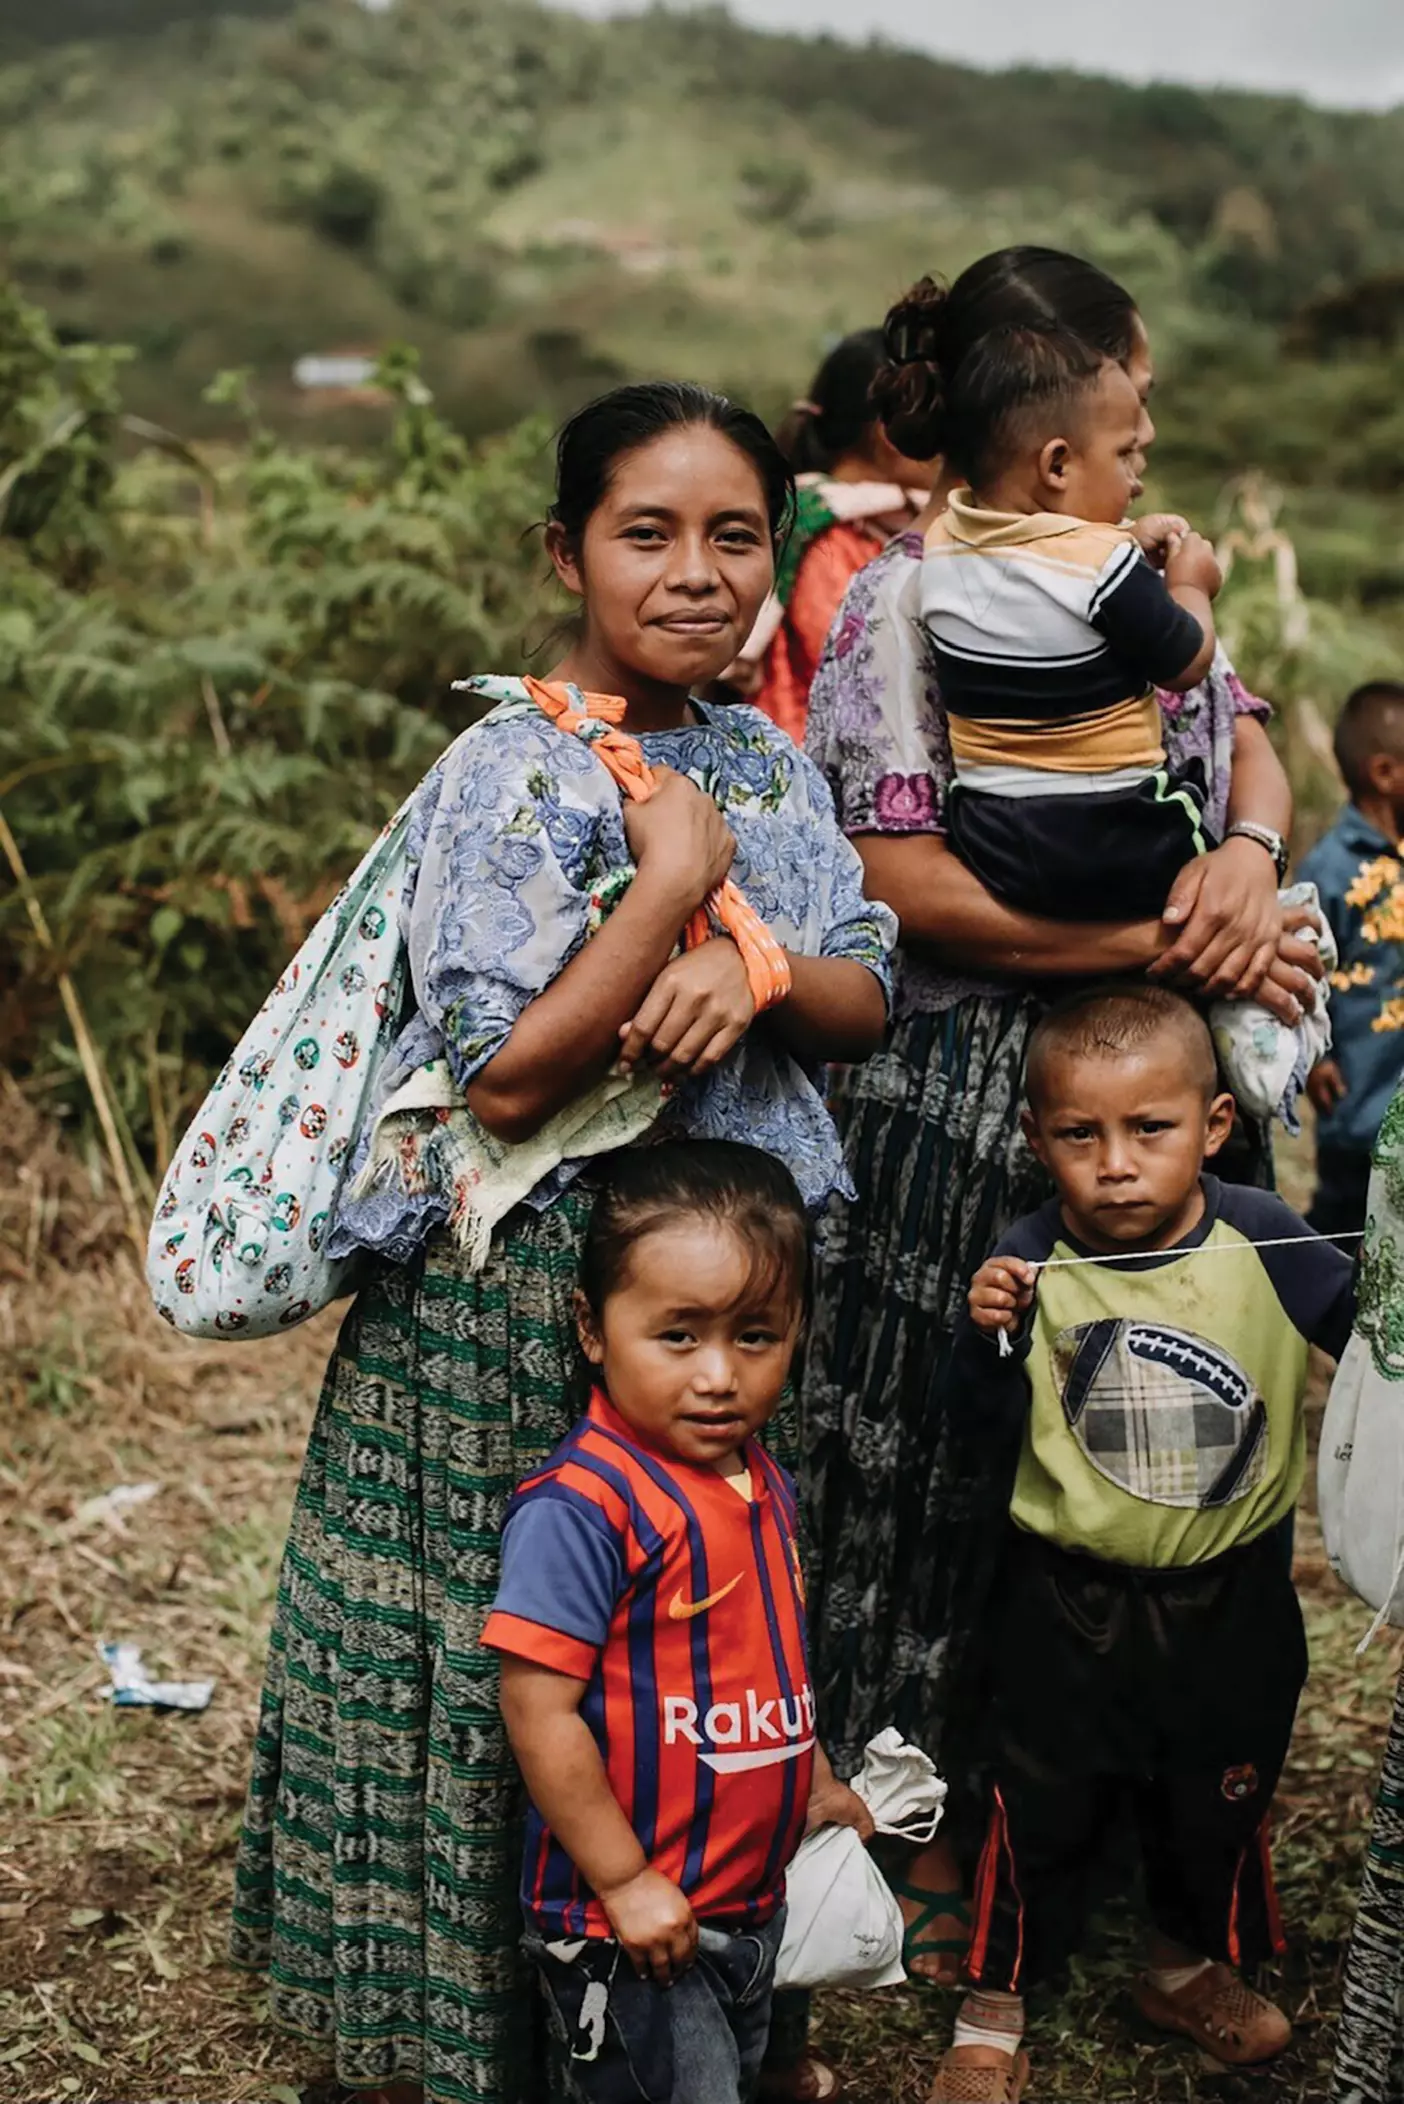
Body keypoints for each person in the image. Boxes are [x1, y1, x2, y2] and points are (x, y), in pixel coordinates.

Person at [228, 381, 896, 2104]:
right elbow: (511, 1073)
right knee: (511, 1665)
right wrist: (669, 886)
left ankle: (695, 2009)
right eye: (644, 531)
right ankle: (473, 2037)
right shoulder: (504, 763)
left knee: (690, 1644)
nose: (693, 570)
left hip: (711, 1306)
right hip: (513, 1315)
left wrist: (751, 964)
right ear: (565, 549)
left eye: (732, 533)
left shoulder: (763, 757)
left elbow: (861, 990)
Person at [798, 247, 1323, 2016]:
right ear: (1048, 414)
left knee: (1133, 1435)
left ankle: (1102, 1819)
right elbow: (891, 874)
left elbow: (1237, 738)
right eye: (1125, 403)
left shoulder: (1131, 572)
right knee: (943, 1453)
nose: (1143, 440)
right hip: (963, 1088)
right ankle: (917, 1816)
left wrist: (1245, 863)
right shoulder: (895, 604)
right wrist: (1157, 937)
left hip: (1150, 1067)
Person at [930, 982, 1354, 2102]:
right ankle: (995, 1998)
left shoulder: (1265, 1234)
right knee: (1039, 1799)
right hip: (1065, 1594)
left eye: (1150, 1128)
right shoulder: (1028, 1260)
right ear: (1037, 1138)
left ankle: (1180, 1964)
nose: (1116, 1162)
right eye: (1081, 1133)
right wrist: (983, 1340)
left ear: (1214, 1125)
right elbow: (973, 1426)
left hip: (1235, 1595)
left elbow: (1370, 1338)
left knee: (1215, 1792)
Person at [484, 1141, 872, 2104]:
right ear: (592, 1328)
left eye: (755, 1336)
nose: (718, 1376)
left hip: (747, 1902)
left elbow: (768, 1657)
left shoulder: (761, 1479)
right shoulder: (584, 1508)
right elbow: (539, 1712)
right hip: (635, 1928)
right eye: (679, 1335)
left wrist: (815, 1778)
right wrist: (622, 1881)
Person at [912, 300, 1224, 918]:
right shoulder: (1102, 565)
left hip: (991, 838)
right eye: (1123, 455)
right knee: (1221, 880)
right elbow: (1186, 662)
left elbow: (1036, 573)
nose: (1136, 475)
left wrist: (1126, 542)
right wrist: (1191, 585)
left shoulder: (944, 543)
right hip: (1112, 835)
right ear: (1057, 464)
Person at [725, 329, 933, 743]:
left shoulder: (876, 521)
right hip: (809, 762)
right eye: (941, 422)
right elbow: (865, 665)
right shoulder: (827, 536)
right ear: (890, 432)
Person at [1303, 679, 1404, 1238]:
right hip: (1360, 1104)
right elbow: (1304, 970)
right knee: (1347, 1229)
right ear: (1385, 773)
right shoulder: (1332, 870)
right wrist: (1316, 1057)